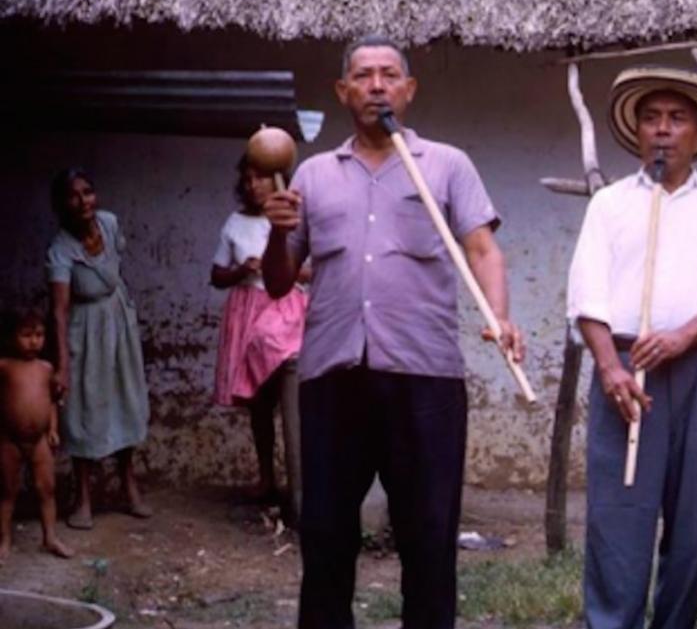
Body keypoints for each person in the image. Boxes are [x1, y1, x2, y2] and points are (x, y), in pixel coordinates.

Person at [262, 34, 524, 629]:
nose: (376, 85)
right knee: (326, 533)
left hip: (425, 378)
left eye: (388, 75)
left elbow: (482, 248)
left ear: (408, 90)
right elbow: (279, 283)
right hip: (333, 376)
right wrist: (277, 232)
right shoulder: (313, 174)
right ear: (342, 91)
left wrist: (499, 315)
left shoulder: (449, 164)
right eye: (362, 75)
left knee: (428, 537)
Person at [567, 66, 697, 629]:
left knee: (693, 515)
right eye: (651, 118)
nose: (662, 130)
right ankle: (611, 622)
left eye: (677, 119)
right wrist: (609, 367)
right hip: (626, 369)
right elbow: (587, 294)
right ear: (636, 131)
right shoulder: (609, 204)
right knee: (619, 511)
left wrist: (683, 336)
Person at [47, 168, 151, 530]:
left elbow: (116, 265)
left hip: (117, 320)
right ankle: (83, 498)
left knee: (126, 399)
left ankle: (128, 486)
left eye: (87, 192)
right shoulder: (60, 250)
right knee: (84, 408)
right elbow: (59, 310)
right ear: (62, 205)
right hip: (85, 329)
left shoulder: (108, 223)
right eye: (73, 196)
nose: (83, 202)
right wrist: (62, 364)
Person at [210, 155, 307, 506]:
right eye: (248, 179)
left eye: (261, 178)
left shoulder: (293, 217)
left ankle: (300, 486)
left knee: (293, 398)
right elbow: (216, 275)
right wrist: (242, 271)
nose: (253, 185)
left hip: (284, 311)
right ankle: (267, 478)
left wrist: (274, 265)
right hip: (247, 313)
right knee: (259, 404)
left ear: (278, 179)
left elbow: (311, 268)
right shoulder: (235, 223)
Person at [0, 307, 74, 560]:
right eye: (26, 335)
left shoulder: (46, 368)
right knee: (7, 491)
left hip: (40, 440)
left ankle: (50, 538)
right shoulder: (5, 366)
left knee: (46, 489)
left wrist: (53, 428)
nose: (34, 341)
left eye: (39, 335)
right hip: (9, 440)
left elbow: (51, 401)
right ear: (11, 338)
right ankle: (5, 540)